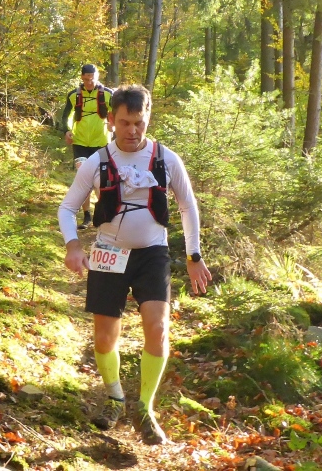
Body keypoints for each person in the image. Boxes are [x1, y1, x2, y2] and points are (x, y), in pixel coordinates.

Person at [57, 84, 212, 445]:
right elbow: (67, 207)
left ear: (148, 118)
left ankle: (145, 407)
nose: (132, 131)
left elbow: (188, 206)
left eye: (139, 122)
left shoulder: (167, 159)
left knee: (157, 328)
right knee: (104, 336)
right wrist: (73, 245)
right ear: (111, 120)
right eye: (125, 123)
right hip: (109, 253)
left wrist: (194, 256)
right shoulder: (96, 162)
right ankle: (114, 397)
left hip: (152, 253)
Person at [59, 64, 115, 229]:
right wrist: (67, 130)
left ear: (97, 77)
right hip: (80, 143)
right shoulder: (74, 95)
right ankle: (87, 215)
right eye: (86, 79)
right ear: (82, 78)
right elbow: (66, 116)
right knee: (83, 176)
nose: (89, 82)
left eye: (92, 79)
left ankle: (102, 213)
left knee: (102, 178)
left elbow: (117, 114)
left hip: (102, 143)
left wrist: (113, 126)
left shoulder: (108, 94)